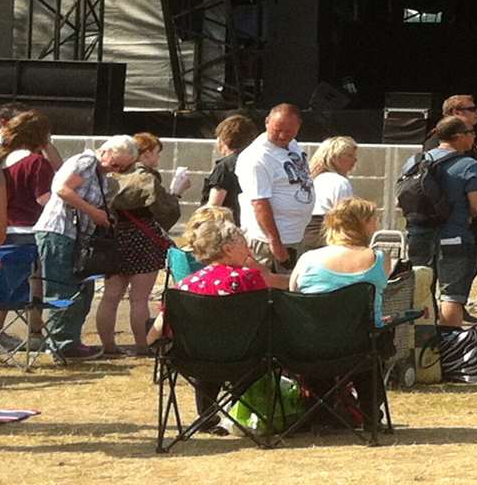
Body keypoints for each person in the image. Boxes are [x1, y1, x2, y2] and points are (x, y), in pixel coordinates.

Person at [154, 208, 268, 434]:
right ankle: (233, 408)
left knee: (208, 350)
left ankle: (207, 414)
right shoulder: (248, 278)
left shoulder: (183, 286)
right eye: (244, 244)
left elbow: (155, 332)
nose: (249, 249)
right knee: (250, 352)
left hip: (194, 360)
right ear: (227, 249)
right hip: (245, 357)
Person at [33, 134, 138, 360]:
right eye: (116, 163)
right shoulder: (86, 161)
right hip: (59, 231)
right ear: (106, 152)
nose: (116, 169)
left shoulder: (100, 174)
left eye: (122, 167)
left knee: (81, 288)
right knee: (62, 287)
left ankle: (70, 341)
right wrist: (94, 212)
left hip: (76, 237)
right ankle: (62, 344)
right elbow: (63, 189)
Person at [95, 132, 189, 355]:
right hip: (143, 239)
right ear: (144, 154)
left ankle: (108, 346)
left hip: (114, 237)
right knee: (139, 299)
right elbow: (165, 211)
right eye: (156, 154)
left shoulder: (109, 175)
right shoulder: (144, 177)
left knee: (110, 297)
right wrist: (175, 193)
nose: (157, 159)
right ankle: (142, 345)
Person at [404, 115, 477, 326]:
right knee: (452, 295)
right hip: (454, 236)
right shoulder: (468, 164)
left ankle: (422, 343)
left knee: (420, 290)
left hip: (418, 233)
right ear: (459, 136)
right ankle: (449, 348)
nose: (474, 137)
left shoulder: (415, 161)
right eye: (471, 133)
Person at [0, 111, 55, 343]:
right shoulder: (36, 162)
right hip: (29, 232)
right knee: (34, 284)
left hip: (0, 230)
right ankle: (35, 333)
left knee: (0, 285)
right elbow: (42, 198)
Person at [236, 103, 314, 276]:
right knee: (270, 289)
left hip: (294, 235)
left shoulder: (292, 145)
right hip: (268, 241)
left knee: (289, 288)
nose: (282, 135)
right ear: (266, 122)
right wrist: (275, 242)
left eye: (289, 131)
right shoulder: (256, 157)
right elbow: (259, 202)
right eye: (277, 129)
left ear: (298, 127)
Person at [291, 198, 390, 324]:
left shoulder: (307, 259)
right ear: (365, 223)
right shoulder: (380, 259)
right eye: (375, 219)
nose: (377, 225)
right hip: (364, 338)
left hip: (312, 337)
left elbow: (294, 296)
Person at [303, 135, 358, 252]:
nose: (355, 160)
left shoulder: (310, 180)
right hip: (326, 235)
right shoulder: (339, 182)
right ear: (334, 157)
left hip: (304, 233)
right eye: (349, 155)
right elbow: (344, 216)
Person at [203, 113, 259, 219]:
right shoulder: (256, 161)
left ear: (223, 139)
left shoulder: (224, 166)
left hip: (228, 227)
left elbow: (214, 206)